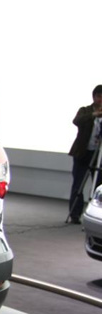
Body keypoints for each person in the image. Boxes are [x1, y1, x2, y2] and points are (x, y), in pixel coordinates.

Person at [67, 84, 102, 224]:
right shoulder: (85, 110)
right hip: (82, 153)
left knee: (98, 186)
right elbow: (76, 121)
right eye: (99, 96)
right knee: (78, 184)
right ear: (94, 97)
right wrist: (94, 115)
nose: (101, 99)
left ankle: (95, 214)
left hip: (98, 156)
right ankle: (75, 214)